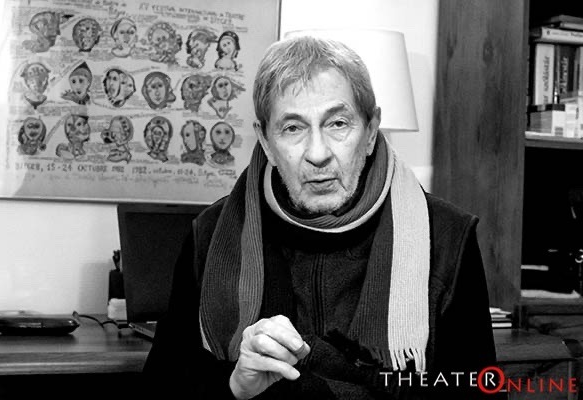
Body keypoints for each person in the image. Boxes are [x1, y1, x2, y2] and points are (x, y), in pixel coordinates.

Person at [143, 36, 498, 399]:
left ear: (371, 130)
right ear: (265, 142)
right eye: (293, 128)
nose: (317, 153)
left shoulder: (446, 236)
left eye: (338, 124)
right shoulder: (211, 233)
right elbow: (161, 389)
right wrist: (234, 386)